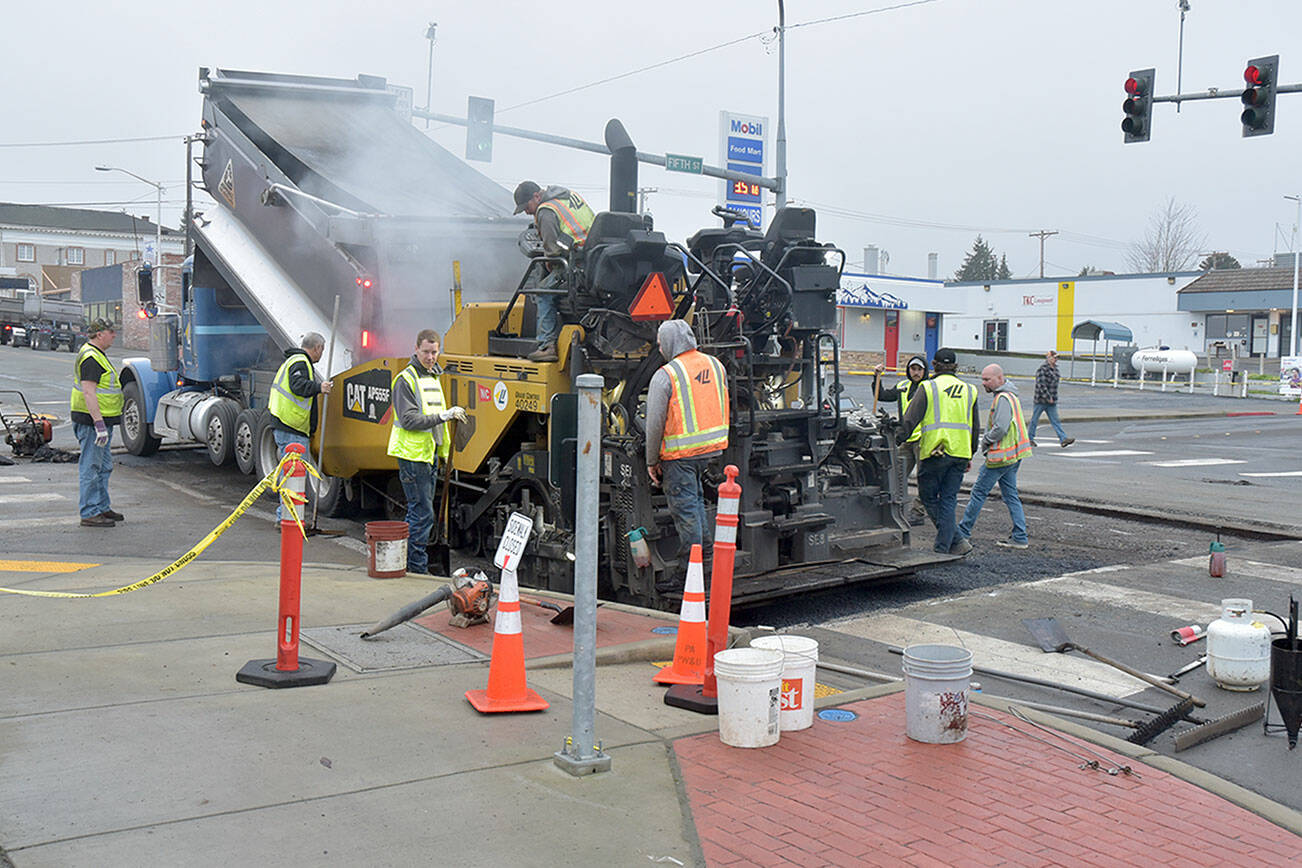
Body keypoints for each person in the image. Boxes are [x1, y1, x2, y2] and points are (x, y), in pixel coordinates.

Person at [645, 319, 729, 594]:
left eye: (660, 343)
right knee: (696, 506)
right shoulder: (716, 365)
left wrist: (651, 459)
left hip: (680, 455)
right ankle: (705, 558)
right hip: (713, 450)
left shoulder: (666, 374)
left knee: (687, 512)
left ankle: (687, 577)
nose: (659, 348)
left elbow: (654, 423)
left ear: (669, 343)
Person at [387, 329, 467, 575]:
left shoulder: (432, 377)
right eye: (426, 352)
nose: (431, 357)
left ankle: (414, 564)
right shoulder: (406, 379)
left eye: (434, 352)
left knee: (422, 511)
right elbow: (410, 420)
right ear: (416, 349)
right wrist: (444, 415)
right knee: (421, 513)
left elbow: (434, 424)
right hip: (413, 456)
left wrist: (442, 454)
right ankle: (416, 569)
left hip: (426, 454)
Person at [897, 347, 980, 556]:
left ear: (934, 365)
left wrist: (895, 438)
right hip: (960, 453)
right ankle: (953, 543)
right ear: (955, 366)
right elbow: (975, 426)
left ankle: (948, 545)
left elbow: (909, 420)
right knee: (949, 499)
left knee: (928, 496)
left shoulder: (928, 387)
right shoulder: (970, 390)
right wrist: (970, 452)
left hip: (935, 453)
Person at [513, 180, 596, 362]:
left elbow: (552, 251)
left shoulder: (546, 210)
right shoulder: (570, 197)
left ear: (536, 196)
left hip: (576, 264)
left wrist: (550, 264)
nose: (527, 212)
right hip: (595, 259)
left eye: (526, 206)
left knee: (543, 292)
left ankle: (546, 345)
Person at [955, 364, 1032, 550]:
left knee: (978, 493)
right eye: (982, 379)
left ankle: (962, 533)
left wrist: (986, 441)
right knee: (1010, 494)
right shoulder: (1011, 395)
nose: (984, 383)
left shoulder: (1003, 398)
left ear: (999, 378)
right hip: (1013, 455)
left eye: (987, 379)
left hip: (1000, 457)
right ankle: (1020, 537)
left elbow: (1001, 427)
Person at [268, 333, 333, 521]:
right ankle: (287, 519)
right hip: (291, 426)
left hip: (288, 425)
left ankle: (287, 518)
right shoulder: (300, 362)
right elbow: (297, 385)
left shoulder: (295, 360)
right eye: (322, 349)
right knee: (294, 476)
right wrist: (320, 387)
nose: (321, 354)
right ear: (317, 348)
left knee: (291, 474)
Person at [70, 318, 123, 527]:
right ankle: (90, 512)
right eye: (111, 332)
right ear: (99, 334)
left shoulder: (97, 354)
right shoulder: (91, 358)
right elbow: (89, 392)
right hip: (92, 423)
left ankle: (101, 507)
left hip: (98, 422)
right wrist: (99, 424)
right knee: (91, 467)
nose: (114, 335)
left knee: (103, 466)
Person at [873, 355, 929, 525]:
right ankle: (896, 509)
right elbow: (882, 395)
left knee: (923, 478)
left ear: (925, 371)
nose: (916, 372)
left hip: (923, 439)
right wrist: (876, 377)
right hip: (906, 438)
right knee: (898, 474)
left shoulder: (929, 388)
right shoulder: (903, 386)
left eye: (919, 369)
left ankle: (918, 512)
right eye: (913, 369)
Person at [1030, 350, 1074, 448]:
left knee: (1055, 421)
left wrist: (1052, 398)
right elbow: (1041, 385)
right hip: (1041, 400)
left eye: (1057, 358)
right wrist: (1047, 396)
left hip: (1052, 401)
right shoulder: (1042, 369)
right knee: (1034, 420)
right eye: (1054, 357)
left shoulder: (1055, 369)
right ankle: (1030, 439)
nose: (1056, 359)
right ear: (1048, 358)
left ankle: (1063, 439)